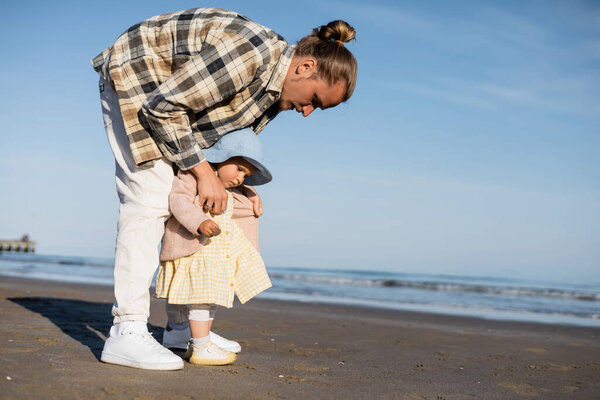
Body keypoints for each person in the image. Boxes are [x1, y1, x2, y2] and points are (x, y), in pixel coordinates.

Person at [92, 7, 357, 370]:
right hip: (139, 78)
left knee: (189, 205)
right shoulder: (251, 53)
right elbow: (162, 108)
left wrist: (237, 188)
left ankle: (179, 330)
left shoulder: (275, 94)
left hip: (170, 107)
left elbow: (222, 150)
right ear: (306, 67)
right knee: (149, 198)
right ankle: (127, 331)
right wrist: (203, 174)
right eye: (315, 100)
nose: (308, 112)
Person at [152, 129, 271, 366]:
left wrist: (250, 192)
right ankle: (200, 344)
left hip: (211, 258)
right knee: (187, 297)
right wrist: (199, 221)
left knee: (203, 297)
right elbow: (179, 200)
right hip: (189, 248)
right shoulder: (192, 177)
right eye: (239, 169)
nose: (240, 179)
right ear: (220, 157)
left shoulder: (231, 190)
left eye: (246, 176)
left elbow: (244, 201)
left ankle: (180, 335)